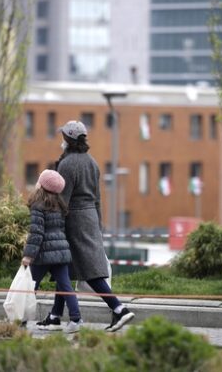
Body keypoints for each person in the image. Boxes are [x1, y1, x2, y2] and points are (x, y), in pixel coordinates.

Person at [45, 120, 135, 332]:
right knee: (64, 267)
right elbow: (97, 197)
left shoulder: (67, 164)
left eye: (63, 137)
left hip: (74, 221)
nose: (61, 141)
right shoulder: (92, 162)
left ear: (68, 139)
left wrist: (54, 223)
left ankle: (119, 308)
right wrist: (98, 222)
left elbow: (63, 199)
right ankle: (55, 315)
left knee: (88, 271)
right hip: (90, 218)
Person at [22, 169, 83, 334]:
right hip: (61, 253)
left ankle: (21, 319)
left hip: (43, 255)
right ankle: (76, 319)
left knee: (30, 286)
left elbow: (36, 233)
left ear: (41, 186)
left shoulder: (37, 205)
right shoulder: (59, 205)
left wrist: (28, 255)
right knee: (65, 286)